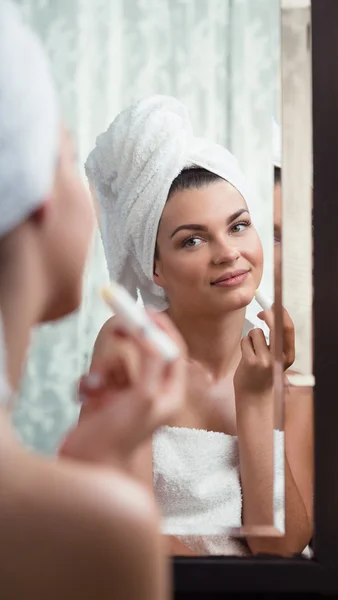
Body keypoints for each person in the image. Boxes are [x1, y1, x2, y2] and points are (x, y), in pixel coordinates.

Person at [61, 96, 313, 556]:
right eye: (192, 239)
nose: (227, 252)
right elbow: (129, 537)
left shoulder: (294, 390)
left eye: (238, 226)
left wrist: (255, 403)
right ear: (155, 268)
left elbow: (281, 551)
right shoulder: (134, 348)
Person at [0, 4, 187, 599]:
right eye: (67, 151)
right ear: (36, 198)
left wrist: (92, 459)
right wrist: (98, 487)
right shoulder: (100, 530)